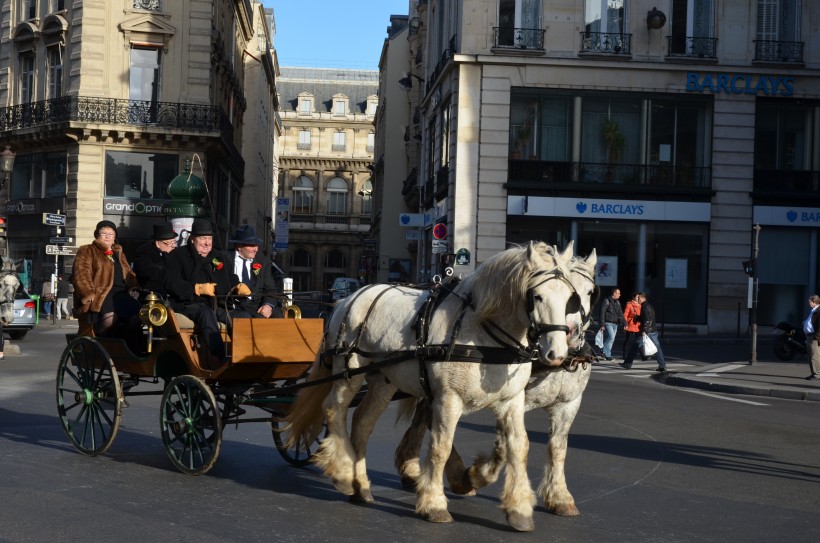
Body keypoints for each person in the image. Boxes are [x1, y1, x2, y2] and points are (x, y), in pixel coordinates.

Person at [164, 218, 250, 368]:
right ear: (192, 239)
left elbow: (229, 278)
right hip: (188, 304)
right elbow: (170, 282)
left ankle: (245, 357)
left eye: (209, 238)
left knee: (243, 317)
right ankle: (221, 358)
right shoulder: (177, 255)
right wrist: (196, 288)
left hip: (217, 305)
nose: (207, 243)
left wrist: (237, 286)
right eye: (203, 238)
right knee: (205, 313)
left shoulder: (218, 256)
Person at [72, 220, 141, 340]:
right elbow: (81, 273)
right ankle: (101, 343)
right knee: (109, 320)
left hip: (121, 293)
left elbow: (129, 273)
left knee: (136, 318)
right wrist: (87, 292)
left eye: (111, 234)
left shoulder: (119, 254)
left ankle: (124, 344)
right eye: (104, 233)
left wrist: (133, 286)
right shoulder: (87, 250)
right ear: (97, 235)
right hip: (101, 294)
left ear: (115, 237)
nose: (107, 236)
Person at [223, 224, 277, 318]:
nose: (256, 249)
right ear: (239, 246)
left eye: (256, 245)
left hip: (256, 306)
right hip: (233, 307)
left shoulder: (263, 262)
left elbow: (270, 289)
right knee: (247, 318)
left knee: (278, 315)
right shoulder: (224, 258)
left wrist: (268, 305)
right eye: (252, 245)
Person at [621, 292, 667, 372]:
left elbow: (648, 320)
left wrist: (644, 330)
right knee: (657, 348)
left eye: (638, 298)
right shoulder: (647, 305)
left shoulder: (645, 307)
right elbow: (648, 318)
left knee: (635, 346)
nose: (637, 299)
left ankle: (627, 364)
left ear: (642, 298)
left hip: (648, 331)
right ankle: (662, 366)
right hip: (652, 330)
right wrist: (639, 318)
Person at [133, 223, 177, 296]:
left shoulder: (176, 252)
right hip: (152, 293)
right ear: (158, 243)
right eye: (169, 243)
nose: (173, 246)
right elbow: (149, 272)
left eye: (174, 242)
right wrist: (165, 256)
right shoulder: (145, 251)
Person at [598, 287, 625, 361]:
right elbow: (602, 313)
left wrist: (625, 323)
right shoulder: (606, 301)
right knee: (611, 337)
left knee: (612, 339)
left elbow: (621, 313)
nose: (620, 295)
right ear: (614, 293)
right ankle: (605, 352)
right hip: (608, 322)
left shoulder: (618, 302)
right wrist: (602, 325)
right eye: (618, 293)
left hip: (615, 323)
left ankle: (605, 353)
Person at [802, 294, 820, 380]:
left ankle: (817, 374)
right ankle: (813, 373)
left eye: (810, 301)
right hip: (809, 336)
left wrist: (816, 337)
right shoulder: (813, 310)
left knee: (814, 356)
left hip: (814, 337)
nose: (808, 303)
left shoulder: (818, 310)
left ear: (814, 302)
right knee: (810, 356)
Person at [622, 291, 642, 362]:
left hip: (638, 325)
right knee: (628, 340)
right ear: (633, 297)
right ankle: (625, 355)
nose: (638, 298)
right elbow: (625, 315)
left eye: (639, 297)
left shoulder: (640, 305)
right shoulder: (629, 305)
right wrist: (625, 324)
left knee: (639, 340)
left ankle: (642, 355)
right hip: (630, 325)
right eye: (637, 297)